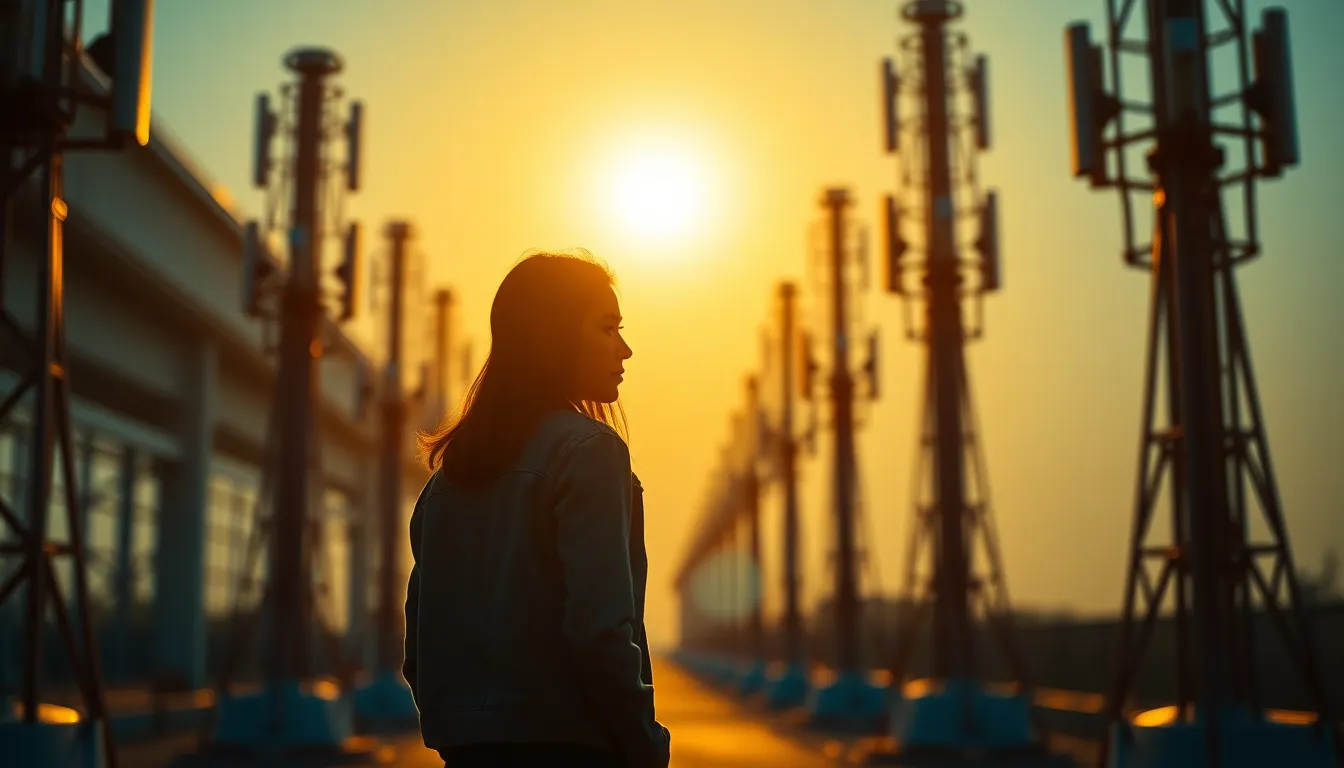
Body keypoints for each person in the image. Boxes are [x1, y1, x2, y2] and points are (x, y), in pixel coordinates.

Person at [402, 251, 671, 768]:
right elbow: (601, 633)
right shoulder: (590, 452)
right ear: (557, 335)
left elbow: (418, 650)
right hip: (573, 747)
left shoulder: (447, 480)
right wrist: (645, 742)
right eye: (607, 328)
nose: (625, 349)